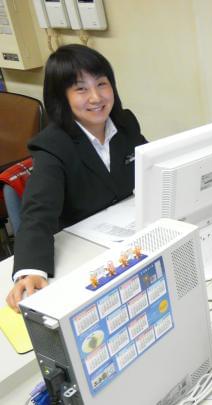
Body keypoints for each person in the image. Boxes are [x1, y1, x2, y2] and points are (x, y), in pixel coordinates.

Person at [6, 44, 146, 311]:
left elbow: (154, 167)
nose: (96, 97)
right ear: (62, 97)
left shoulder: (125, 124)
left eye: (102, 84)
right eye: (81, 89)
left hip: (129, 242)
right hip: (84, 254)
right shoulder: (53, 145)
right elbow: (38, 212)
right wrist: (31, 271)